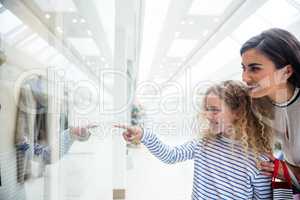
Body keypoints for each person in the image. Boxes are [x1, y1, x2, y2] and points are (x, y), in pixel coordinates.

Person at [115, 80, 273, 199]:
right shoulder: (203, 144)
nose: (207, 115)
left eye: (215, 110)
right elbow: (171, 155)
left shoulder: (260, 160)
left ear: (237, 112)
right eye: (206, 109)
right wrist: (143, 134)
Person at [240, 28, 300, 192]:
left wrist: (285, 171)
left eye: (254, 68)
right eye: (243, 68)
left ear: (286, 71)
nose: (244, 78)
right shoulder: (256, 105)